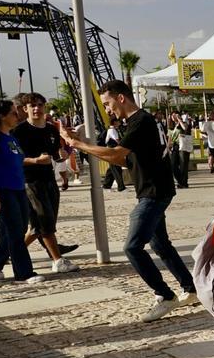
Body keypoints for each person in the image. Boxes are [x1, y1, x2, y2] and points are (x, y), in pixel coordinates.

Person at [63, 80, 198, 321]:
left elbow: (116, 154)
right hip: (154, 189)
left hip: (153, 193)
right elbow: (124, 161)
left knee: (132, 247)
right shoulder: (138, 122)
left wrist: (79, 144)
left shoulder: (141, 121)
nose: (107, 109)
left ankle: (165, 296)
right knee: (160, 245)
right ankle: (190, 288)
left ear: (121, 98)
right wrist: (85, 146)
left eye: (108, 103)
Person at [11, 93, 79, 274]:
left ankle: (8, 253)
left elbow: (55, 154)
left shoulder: (51, 129)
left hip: (49, 179)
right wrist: (35, 161)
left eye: (40, 105)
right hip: (30, 181)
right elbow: (13, 159)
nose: (36, 108)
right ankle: (58, 261)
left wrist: (62, 155)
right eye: (32, 105)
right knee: (45, 221)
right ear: (25, 109)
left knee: (38, 226)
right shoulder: (19, 132)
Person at [0, 100, 44, 284]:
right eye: (14, 113)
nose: (18, 116)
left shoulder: (11, 137)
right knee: (16, 231)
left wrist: (37, 161)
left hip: (18, 188)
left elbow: (17, 161)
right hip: (2, 189)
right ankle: (24, 272)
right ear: (2, 116)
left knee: (19, 227)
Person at [100, 117, 127, 191]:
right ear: (114, 122)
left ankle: (106, 185)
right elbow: (118, 141)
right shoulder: (112, 130)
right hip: (112, 152)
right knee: (116, 169)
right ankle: (121, 187)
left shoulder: (113, 130)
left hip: (112, 151)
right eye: (118, 121)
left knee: (111, 169)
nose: (119, 122)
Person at [169, 114, 193, 188]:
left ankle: (183, 182)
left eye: (176, 115)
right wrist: (168, 146)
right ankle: (180, 180)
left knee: (183, 165)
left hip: (183, 145)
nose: (174, 117)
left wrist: (180, 120)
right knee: (173, 165)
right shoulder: (171, 126)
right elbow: (169, 137)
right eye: (172, 115)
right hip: (175, 146)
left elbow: (185, 128)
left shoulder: (183, 123)